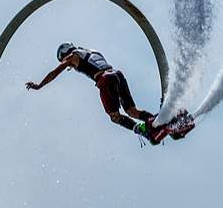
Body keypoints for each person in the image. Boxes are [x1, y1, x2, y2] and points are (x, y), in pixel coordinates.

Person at [25, 42, 192, 144]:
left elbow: (54, 72)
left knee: (114, 116)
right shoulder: (92, 51)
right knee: (131, 110)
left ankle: (144, 130)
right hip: (117, 74)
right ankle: (160, 121)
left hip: (105, 79)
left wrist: (39, 85)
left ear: (64, 54)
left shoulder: (72, 57)